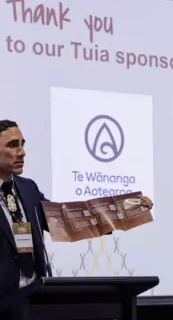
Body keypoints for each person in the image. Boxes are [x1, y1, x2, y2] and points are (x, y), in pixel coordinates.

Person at [0, 119, 153, 320]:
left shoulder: (28, 188)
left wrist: (123, 210)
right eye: (12, 145)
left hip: (35, 302)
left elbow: (65, 220)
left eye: (22, 144)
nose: (22, 152)